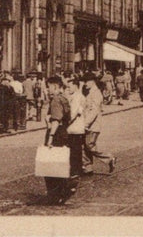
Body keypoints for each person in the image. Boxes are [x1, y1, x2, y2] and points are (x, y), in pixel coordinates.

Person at [43, 76, 79, 205]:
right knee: (59, 163)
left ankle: (57, 194)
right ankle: (63, 190)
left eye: (49, 87)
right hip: (64, 133)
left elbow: (56, 120)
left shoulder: (56, 100)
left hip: (56, 134)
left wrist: (51, 137)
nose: (48, 89)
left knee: (50, 165)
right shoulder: (64, 99)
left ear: (55, 87)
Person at [81, 72, 116, 175]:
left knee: (89, 146)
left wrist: (85, 124)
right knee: (84, 146)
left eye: (86, 81)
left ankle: (109, 158)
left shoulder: (96, 94)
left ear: (92, 81)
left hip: (93, 126)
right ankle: (88, 168)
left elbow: (94, 111)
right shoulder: (90, 92)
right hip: (89, 125)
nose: (85, 84)